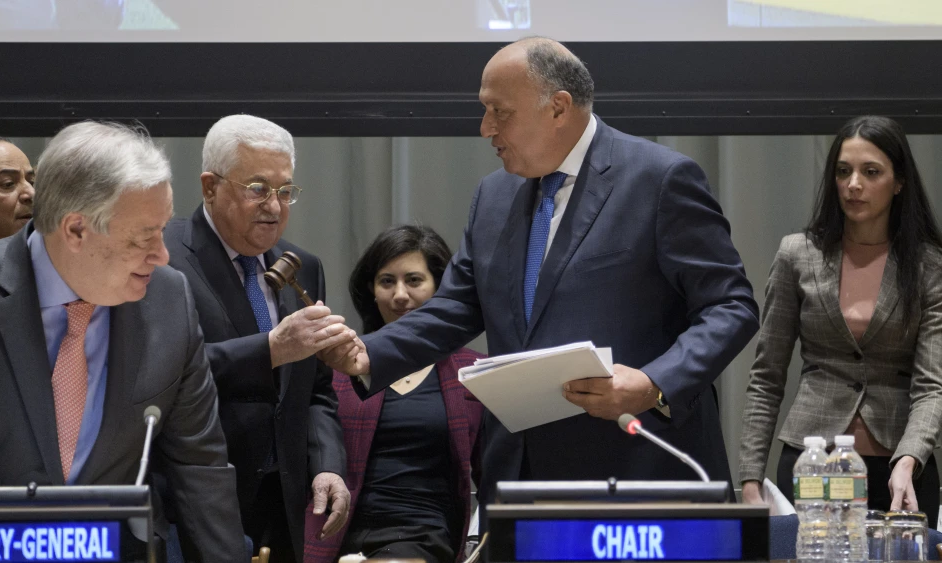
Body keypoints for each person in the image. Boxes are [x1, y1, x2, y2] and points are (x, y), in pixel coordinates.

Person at [323, 37, 759, 517]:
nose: (485, 127)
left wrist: (654, 382)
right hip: (521, 475)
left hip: (638, 465)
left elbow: (730, 306)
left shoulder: (659, 179)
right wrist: (369, 353)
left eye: (499, 111)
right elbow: (454, 308)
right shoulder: (492, 195)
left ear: (558, 107)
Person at [0, 121, 246, 561]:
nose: (162, 254)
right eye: (144, 237)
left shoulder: (168, 298)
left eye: (164, 229)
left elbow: (200, 466)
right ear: (76, 231)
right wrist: (49, 545)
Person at [739, 115, 942, 527]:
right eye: (843, 171)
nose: (853, 184)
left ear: (899, 181)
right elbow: (767, 377)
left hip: (900, 469)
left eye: (871, 172)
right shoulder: (798, 254)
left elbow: (931, 386)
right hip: (811, 461)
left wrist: (909, 459)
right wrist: (749, 479)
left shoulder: (927, 265)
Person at [164, 114, 350, 562]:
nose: (275, 205)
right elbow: (160, 376)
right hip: (197, 500)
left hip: (282, 500)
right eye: (258, 189)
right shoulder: (162, 257)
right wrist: (270, 349)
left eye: (286, 191)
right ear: (210, 186)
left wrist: (327, 464)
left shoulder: (303, 264)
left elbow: (317, 390)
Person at [304, 225, 484, 563]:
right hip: (334, 533)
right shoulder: (337, 367)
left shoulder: (474, 372)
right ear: (372, 291)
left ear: (441, 288)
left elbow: (495, 478)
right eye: (387, 281)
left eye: (414, 280)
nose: (399, 295)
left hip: (423, 535)